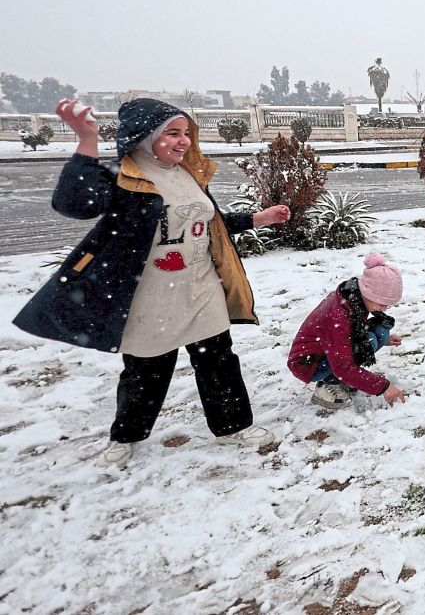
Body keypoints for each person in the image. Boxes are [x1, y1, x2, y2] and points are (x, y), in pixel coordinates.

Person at [13, 98, 291, 468]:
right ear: (144, 137)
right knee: (146, 370)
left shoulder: (189, 172)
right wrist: (86, 140)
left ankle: (232, 426)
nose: (184, 142)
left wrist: (259, 219)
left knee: (219, 361)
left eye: (187, 133)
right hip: (150, 296)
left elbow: (208, 221)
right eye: (172, 134)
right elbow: (75, 204)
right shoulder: (124, 174)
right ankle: (126, 436)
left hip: (200, 288)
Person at [287, 253, 407, 410]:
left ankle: (342, 378)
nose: (386, 309)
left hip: (328, 350)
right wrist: (383, 387)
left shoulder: (353, 298)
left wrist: (385, 340)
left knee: (379, 332)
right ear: (369, 294)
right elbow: (343, 366)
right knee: (363, 345)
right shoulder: (337, 317)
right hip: (308, 363)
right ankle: (328, 384)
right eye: (383, 303)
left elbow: (354, 329)